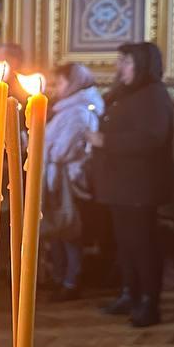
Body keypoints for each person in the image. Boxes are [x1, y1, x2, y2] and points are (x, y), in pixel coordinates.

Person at [88, 43, 173, 327]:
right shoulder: (125, 93)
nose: (119, 67)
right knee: (126, 244)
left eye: (126, 61)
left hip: (140, 184)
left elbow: (152, 138)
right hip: (119, 183)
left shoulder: (154, 95)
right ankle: (130, 293)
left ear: (143, 65)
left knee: (143, 244)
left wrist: (105, 141)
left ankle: (149, 301)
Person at [43, 63, 102, 298]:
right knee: (57, 229)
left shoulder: (78, 111)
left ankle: (70, 280)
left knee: (69, 229)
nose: (57, 87)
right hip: (54, 175)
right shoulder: (66, 108)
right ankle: (59, 276)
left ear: (74, 82)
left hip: (67, 177)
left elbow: (62, 151)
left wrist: (42, 148)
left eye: (61, 82)